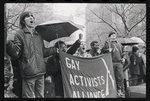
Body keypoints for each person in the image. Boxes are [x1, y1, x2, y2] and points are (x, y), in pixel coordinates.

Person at [6, 11, 57, 98]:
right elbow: (16, 53)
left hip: (41, 72)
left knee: (41, 96)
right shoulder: (19, 34)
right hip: (28, 72)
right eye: (28, 16)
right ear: (23, 21)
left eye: (32, 16)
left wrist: (55, 49)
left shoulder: (38, 35)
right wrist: (7, 43)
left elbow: (43, 52)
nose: (31, 18)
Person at [46, 34, 83, 98]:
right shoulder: (51, 59)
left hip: (67, 84)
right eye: (62, 48)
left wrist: (79, 40)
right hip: (58, 85)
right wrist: (60, 64)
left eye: (65, 48)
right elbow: (49, 71)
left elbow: (72, 50)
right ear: (57, 49)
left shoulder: (65, 57)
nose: (64, 50)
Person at [101, 31, 125, 97]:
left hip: (119, 62)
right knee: (112, 77)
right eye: (112, 35)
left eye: (115, 34)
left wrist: (123, 58)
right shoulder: (107, 43)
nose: (114, 36)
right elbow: (102, 51)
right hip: (111, 62)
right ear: (109, 37)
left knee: (120, 77)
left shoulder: (119, 43)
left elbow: (123, 52)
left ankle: (119, 91)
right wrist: (108, 50)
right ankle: (113, 92)